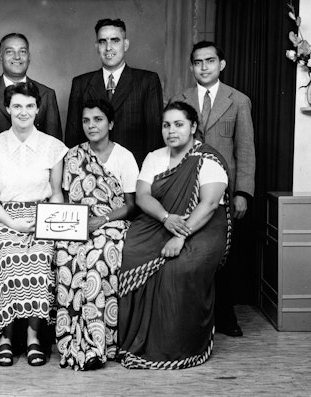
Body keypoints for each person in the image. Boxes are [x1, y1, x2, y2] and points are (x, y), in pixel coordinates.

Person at [118, 101, 231, 369]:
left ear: (193, 127)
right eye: (166, 125)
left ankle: (176, 347)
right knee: (132, 253)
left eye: (179, 124)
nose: (171, 131)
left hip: (203, 225)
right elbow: (143, 196)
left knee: (179, 269)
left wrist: (181, 236)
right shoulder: (154, 157)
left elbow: (209, 204)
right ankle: (134, 340)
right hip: (163, 219)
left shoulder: (208, 159)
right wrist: (166, 219)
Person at [170, 41, 255, 337]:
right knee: (194, 252)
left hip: (225, 193)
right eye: (197, 62)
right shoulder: (180, 98)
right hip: (188, 188)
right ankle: (195, 315)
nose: (203, 67)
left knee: (225, 254)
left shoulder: (238, 101)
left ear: (222, 64)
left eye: (209, 61)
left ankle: (225, 314)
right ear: (191, 66)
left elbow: (245, 150)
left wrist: (243, 192)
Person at [0, 82, 67, 367]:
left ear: (38, 109)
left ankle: (33, 337)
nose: (23, 111)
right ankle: (5, 337)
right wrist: (15, 225)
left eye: (29, 106)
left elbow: (56, 194)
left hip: (43, 218)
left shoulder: (53, 147)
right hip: (6, 219)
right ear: (7, 108)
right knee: (6, 255)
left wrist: (44, 223)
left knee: (41, 257)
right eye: (17, 106)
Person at [55, 99, 138, 371]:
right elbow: (67, 198)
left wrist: (100, 220)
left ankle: (98, 344)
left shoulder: (124, 157)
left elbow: (130, 205)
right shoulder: (73, 156)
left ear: (111, 123)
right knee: (66, 253)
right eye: (86, 120)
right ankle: (70, 340)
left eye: (98, 119)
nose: (91, 125)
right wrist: (74, 224)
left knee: (97, 256)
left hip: (111, 223)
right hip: (78, 222)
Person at [65, 18, 163, 166]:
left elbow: (154, 136)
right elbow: (73, 137)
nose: (108, 47)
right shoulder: (81, 84)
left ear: (125, 44)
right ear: (97, 46)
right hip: (91, 174)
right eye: (103, 41)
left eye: (115, 40)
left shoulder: (147, 81)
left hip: (135, 171)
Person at [0, 33, 62, 148]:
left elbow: (55, 148)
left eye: (22, 51)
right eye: (10, 52)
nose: (17, 57)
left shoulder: (47, 94)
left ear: (29, 57)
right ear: (0, 57)